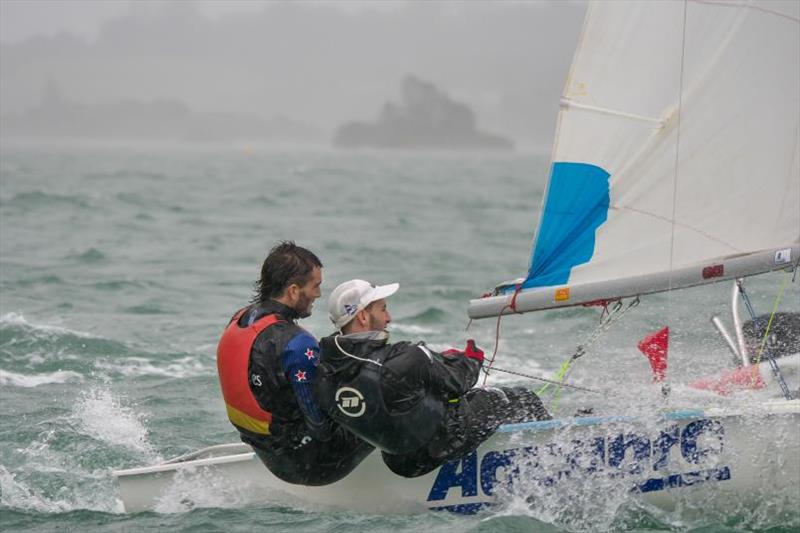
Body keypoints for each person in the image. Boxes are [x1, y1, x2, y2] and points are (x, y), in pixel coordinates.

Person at [315, 279, 551, 478]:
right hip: (446, 441)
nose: (389, 318)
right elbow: (460, 381)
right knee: (523, 399)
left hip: (401, 464)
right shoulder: (407, 357)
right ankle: (555, 451)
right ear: (363, 317)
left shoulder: (323, 373)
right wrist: (470, 358)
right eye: (383, 309)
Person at [216, 242, 373, 486]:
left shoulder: (242, 318)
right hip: (309, 465)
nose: (319, 294)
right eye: (315, 286)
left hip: (267, 450)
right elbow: (321, 428)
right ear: (293, 291)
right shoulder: (297, 345)